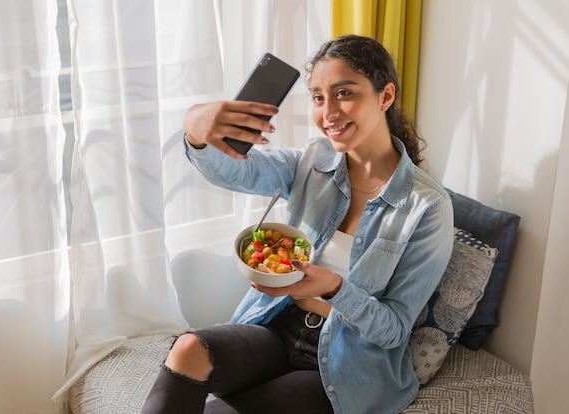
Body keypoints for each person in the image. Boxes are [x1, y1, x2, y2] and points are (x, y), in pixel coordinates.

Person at [142, 35, 454, 414]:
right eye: (319, 98)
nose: (329, 113)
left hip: (346, 364)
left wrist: (335, 288)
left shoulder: (428, 207)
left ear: (385, 96)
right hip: (276, 328)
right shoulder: (313, 160)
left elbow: (392, 331)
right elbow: (237, 172)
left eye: (344, 93)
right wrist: (195, 129)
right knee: (188, 348)